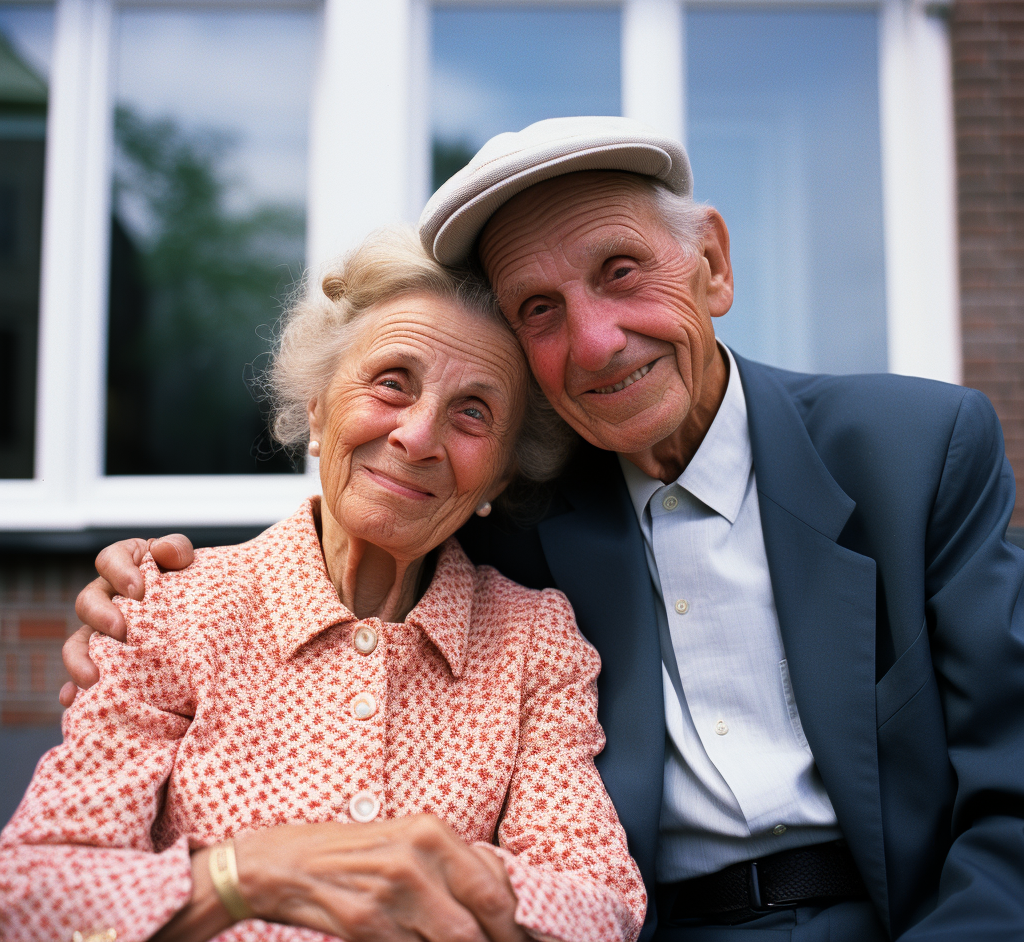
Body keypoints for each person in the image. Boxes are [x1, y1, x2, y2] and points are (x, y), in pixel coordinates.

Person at [62, 118, 1024, 941]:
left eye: (622, 272)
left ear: (714, 267)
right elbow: (365, 502)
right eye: (540, 310)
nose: (598, 341)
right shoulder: (509, 524)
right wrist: (147, 601)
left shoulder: (917, 453)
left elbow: (1010, 792)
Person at [2, 227, 646, 942]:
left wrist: (444, 875)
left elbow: (600, 908)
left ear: (499, 473)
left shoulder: (533, 641)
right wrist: (248, 874)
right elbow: (31, 894)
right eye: (392, 383)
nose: (419, 436)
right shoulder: (172, 608)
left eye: (473, 412)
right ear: (317, 407)